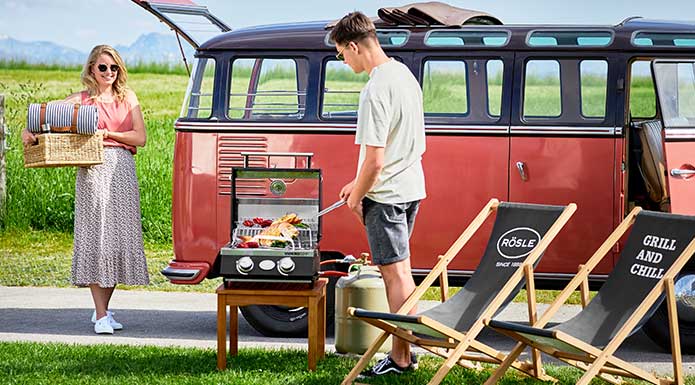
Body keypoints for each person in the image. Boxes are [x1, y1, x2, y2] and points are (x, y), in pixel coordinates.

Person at [22, 45, 149, 334]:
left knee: (119, 237)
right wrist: (27, 133)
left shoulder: (127, 98)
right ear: (92, 69)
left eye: (113, 67)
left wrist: (109, 133)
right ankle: (101, 314)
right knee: (97, 236)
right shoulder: (80, 101)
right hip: (92, 169)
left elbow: (139, 137)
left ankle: (102, 310)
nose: (108, 73)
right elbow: (40, 117)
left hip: (122, 170)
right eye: (103, 67)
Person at [330, 12, 427, 377]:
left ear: (354, 46)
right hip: (410, 188)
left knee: (395, 277)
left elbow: (375, 160)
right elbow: (404, 145)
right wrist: (355, 185)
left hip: (385, 197)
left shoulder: (374, 89)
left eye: (342, 53)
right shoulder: (404, 75)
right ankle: (405, 353)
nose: (344, 61)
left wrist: (356, 198)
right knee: (402, 272)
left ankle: (401, 358)